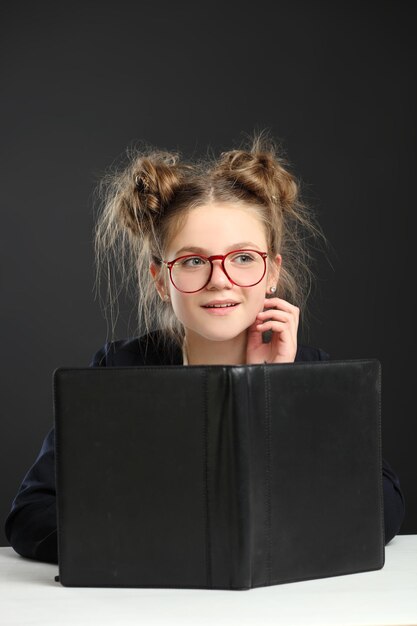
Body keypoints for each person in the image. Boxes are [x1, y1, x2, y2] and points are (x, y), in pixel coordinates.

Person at [5, 131, 405, 564]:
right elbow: (32, 514)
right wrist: (174, 541)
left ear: (272, 272)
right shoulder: (118, 367)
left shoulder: (312, 372)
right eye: (194, 261)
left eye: (243, 258)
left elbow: (380, 508)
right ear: (162, 280)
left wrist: (271, 387)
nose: (220, 279)